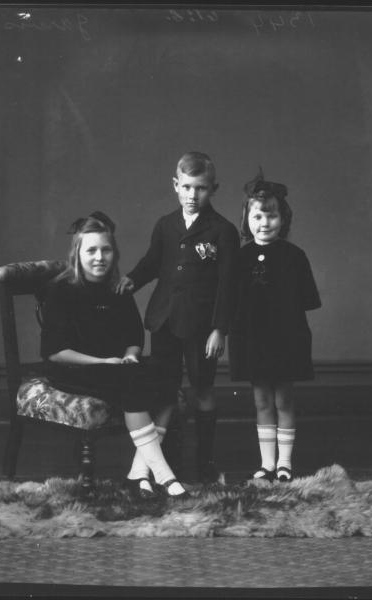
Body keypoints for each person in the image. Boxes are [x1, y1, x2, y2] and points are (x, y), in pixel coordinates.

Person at [40, 211, 188, 498]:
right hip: (73, 368)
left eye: (105, 250)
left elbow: (134, 337)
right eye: (91, 250)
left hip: (118, 367)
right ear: (77, 254)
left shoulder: (116, 290)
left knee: (170, 376)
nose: (99, 257)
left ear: (114, 253)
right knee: (131, 381)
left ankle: (138, 473)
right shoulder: (60, 290)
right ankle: (165, 475)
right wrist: (104, 362)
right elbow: (55, 352)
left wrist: (131, 355)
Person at [117, 152, 240, 483]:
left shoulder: (223, 231)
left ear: (213, 188)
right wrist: (132, 278)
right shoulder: (165, 224)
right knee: (164, 390)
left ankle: (204, 463)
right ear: (175, 185)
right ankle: (165, 462)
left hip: (202, 327)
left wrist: (220, 329)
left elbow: (228, 286)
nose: (192, 195)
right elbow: (152, 262)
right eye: (186, 187)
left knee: (202, 387)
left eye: (200, 188)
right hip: (165, 321)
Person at [229, 171, 321, 482]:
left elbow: (308, 300)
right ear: (247, 218)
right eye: (257, 216)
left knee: (284, 399)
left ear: (283, 219)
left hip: (286, 339)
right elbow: (232, 302)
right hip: (252, 339)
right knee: (261, 400)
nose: (264, 223)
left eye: (271, 216)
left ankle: (285, 464)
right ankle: (267, 464)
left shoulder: (295, 257)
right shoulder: (240, 258)